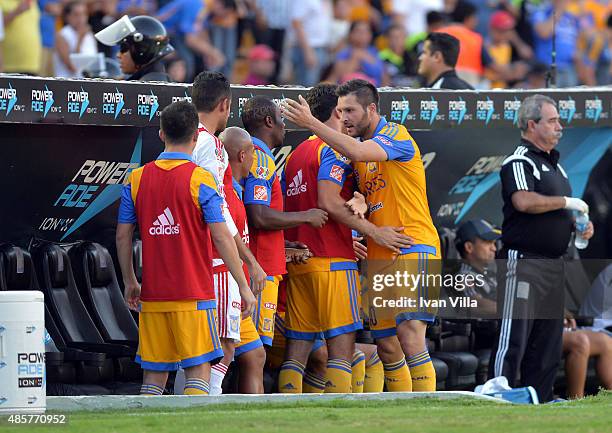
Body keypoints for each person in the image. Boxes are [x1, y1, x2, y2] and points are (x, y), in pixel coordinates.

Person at [282, 79, 441, 392]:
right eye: (339, 111)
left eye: (350, 110)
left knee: (410, 333)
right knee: (387, 347)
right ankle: (401, 417)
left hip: (413, 243)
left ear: (371, 108)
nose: (344, 118)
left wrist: (311, 123)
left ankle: (428, 415)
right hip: (378, 254)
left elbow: (356, 150)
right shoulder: (353, 156)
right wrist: (359, 203)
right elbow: (356, 195)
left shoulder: (395, 134)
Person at [115, 101, 255, 396]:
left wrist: (130, 281)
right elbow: (221, 237)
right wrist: (242, 284)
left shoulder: (136, 179)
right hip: (194, 295)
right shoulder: (201, 179)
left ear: (162, 133)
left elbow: (123, 236)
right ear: (195, 137)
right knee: (197, 372)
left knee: (153, 379)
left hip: (153, 297)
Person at [488, 94, 594, 402]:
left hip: (552, 263)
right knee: (515, 334)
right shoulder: (519, 160)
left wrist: (578, 224)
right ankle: (498, 391)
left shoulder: (557, 169)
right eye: (552, 120)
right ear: (532, 124)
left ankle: (541, 398)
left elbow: (559, 212)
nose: (560, 126)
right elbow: (523, 201)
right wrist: (567, 202)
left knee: (548, 340)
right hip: (523, 261)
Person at [190, 71, 266, 395]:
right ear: (224, 104)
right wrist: (243, 268)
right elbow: (214, 212)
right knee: (223, 346)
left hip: (198, 257)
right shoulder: (212, 147)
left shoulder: (186, 140)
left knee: (203, 351)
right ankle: (208, 408)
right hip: (216, 260)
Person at [241, 96, 328, 351]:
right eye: (281, 120)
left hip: (262, 261)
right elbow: (258, 215)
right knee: (254, 354)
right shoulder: (259, 157)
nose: (284, 127)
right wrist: (307, 216)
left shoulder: (257, 154)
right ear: (269, 121)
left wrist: (284, 242)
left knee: (252, 353)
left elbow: (250, 217)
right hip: (260, 269)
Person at [220, 126, 267, 394]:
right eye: (252, 153)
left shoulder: (235, 189)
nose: (254, 159)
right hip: (226, 287)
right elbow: (226, 237)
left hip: (238, 290)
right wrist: (251, 266)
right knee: (220, 357)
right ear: (242, 155)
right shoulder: (224, 191)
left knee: (255, 355)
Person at [94, 15, 174, 81]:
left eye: (123, 48)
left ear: (141, 51)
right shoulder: (160, 81)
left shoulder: (142, 90)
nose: (118, 55)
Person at [454, 219, 500, 318]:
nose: (494, 248)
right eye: (488, 242)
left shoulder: (490, 273)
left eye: (494, 243)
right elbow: (476, 305)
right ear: (469, 247)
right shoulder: (464, 276)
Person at [333, 20, 388, 86]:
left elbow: (384, 77)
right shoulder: (344, 53)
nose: (363, 34)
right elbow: (340, 76)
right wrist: (355, 58)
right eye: (358, 31)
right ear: (351, 34)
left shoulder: (375, 52)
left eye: (366, 31)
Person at [54, 1, 98, 78]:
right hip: (68, 82)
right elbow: (72, 67)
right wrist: (80, 39)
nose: (81, 18)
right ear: (67, 17)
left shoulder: (89, 34)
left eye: (84, 14)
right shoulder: (62, 35)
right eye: (76, 14)